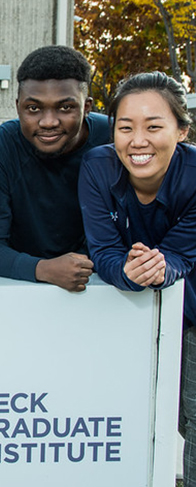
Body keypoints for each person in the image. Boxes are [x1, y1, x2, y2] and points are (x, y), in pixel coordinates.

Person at [78, 72, 196, 484]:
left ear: (181, 130)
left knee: (193, 416)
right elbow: (104, 250)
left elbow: (182, 253)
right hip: (129, 312)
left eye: (154, 126)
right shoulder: (97, 167)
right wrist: (126, 272)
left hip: (191, 309)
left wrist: (163, 266)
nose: (137, 140)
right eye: (125, 127)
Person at [0, 45, 111, 291]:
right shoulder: (2, 147)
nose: (48, 122)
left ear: (87, 107)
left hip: (104, 285)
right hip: (23, 288)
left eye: (65, 107)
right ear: (18, 107)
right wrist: (43, 269)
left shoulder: (114, 139)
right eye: (34, 109)